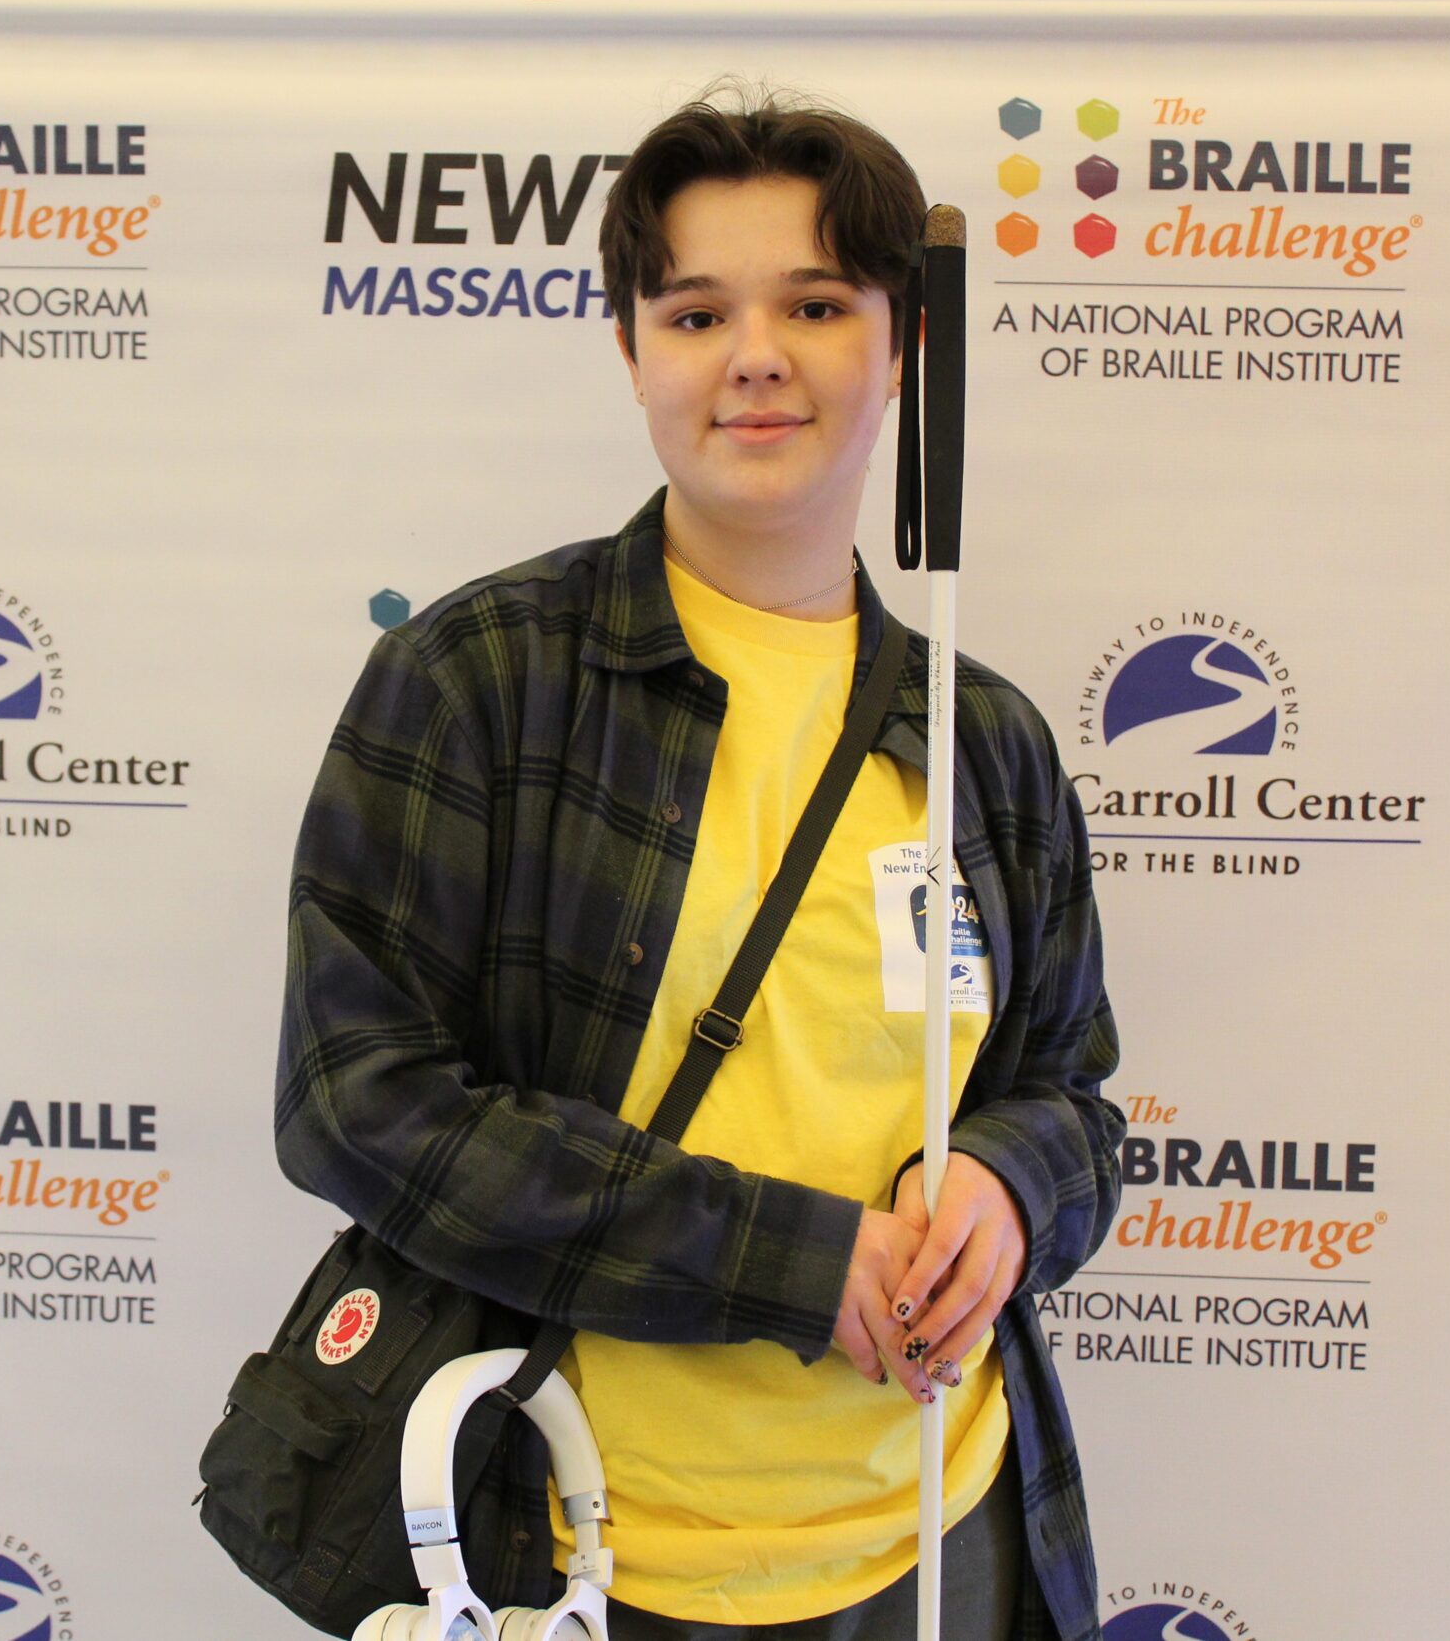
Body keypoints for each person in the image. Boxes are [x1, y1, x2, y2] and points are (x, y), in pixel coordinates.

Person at [274, 88, 1123, 1641]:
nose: (756, 355)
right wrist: (797, 1263)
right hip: (582, 1548)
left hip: (946, 1540)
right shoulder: (480, 679)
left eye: (815, 303)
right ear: (630, 352)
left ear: (901, 343)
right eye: (695, 310)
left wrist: (1013, 1183)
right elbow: (360, 1102)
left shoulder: (979, 735)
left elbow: (1073, 1094)